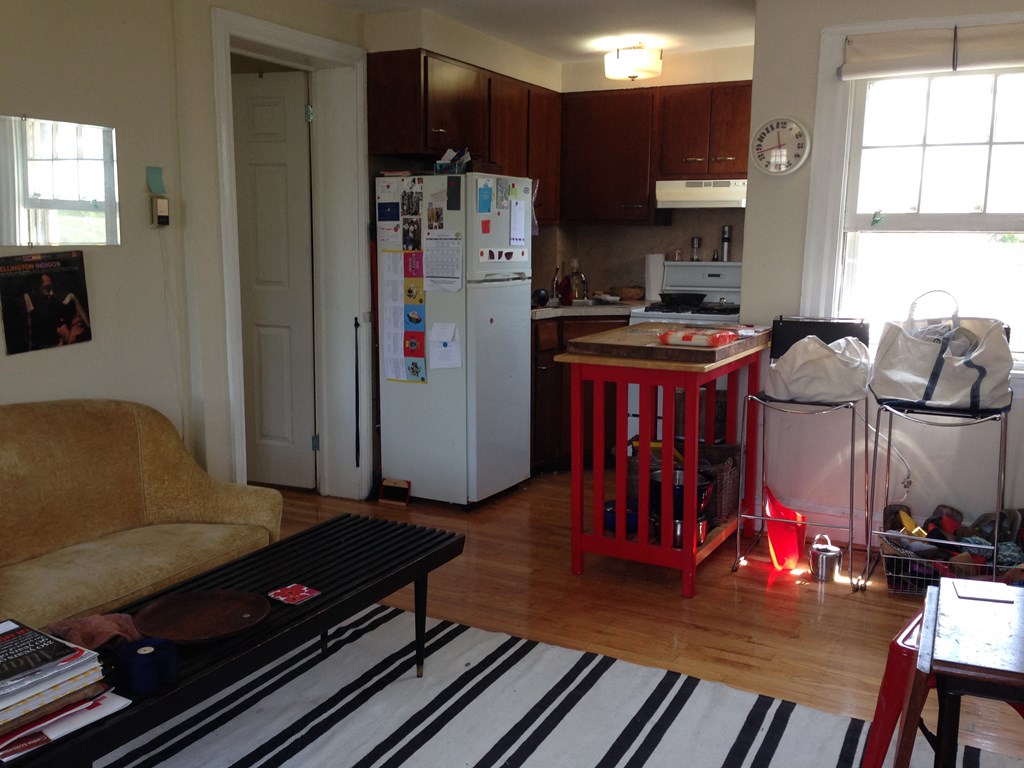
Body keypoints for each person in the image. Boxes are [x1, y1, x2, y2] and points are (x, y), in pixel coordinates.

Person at [24, 273, 91, 349]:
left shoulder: (57, 307)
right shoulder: (29, 312)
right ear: (35, 291)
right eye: (47, 288)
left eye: (51, 288)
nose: (51, 293)